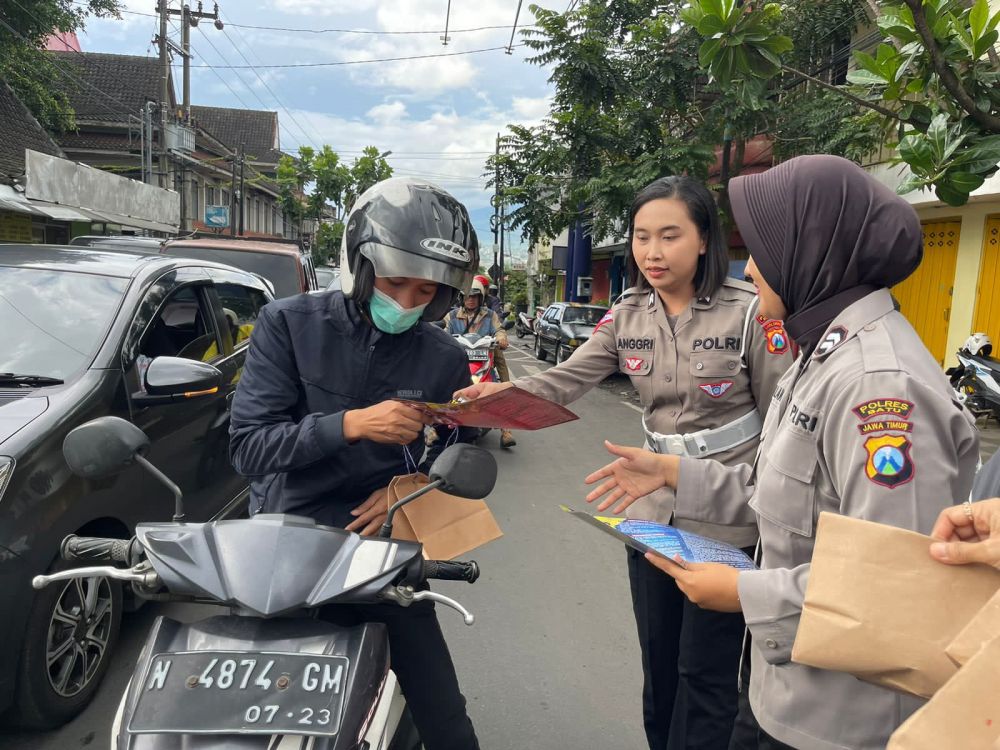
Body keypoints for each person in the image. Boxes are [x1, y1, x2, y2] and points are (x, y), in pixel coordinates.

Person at [583, 156, 980, 750]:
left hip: (842, 720)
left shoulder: (879, 388)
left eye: (764, 247)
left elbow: (897, 584)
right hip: (783, 692)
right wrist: (672, 471)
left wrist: (743, 593)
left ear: (811, 251)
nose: (750, 267)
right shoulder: (821, 356)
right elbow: (780, 496)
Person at [457, 175, 792, 750]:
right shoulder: (629, 313)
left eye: (670, 236)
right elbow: (564, 381)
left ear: (705, 239)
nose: (652, 252)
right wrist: (496, 398)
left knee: (706, 675)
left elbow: (784, 426)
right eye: (641, 237)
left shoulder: (749, 314)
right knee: (659, 668)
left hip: (731, 519)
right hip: (653, 514)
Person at [228, 177, 481, 750]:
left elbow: (458, 439)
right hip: (283, 546)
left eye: (426, 292)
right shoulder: (288, 325)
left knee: (444, 715)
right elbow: (248, 447)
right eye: (396, 284)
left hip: (383, 550)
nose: (408, 303)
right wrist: (350, 425)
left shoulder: (442, 355)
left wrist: (413, 485)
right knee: (259, 717)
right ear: (359, 266)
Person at [443, 275, 517, 448]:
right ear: (461, 298)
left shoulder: (490, 315)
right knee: (444, 383)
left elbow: (499, 329)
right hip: (460, 360)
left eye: (474, 296)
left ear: (480, 298)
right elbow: (444, 332)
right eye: (467, 296)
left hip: (485, 356)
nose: (470, 300)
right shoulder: (452, 316)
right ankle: (435, 428)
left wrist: (501, 337)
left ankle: (506, 430)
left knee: (500, 387)